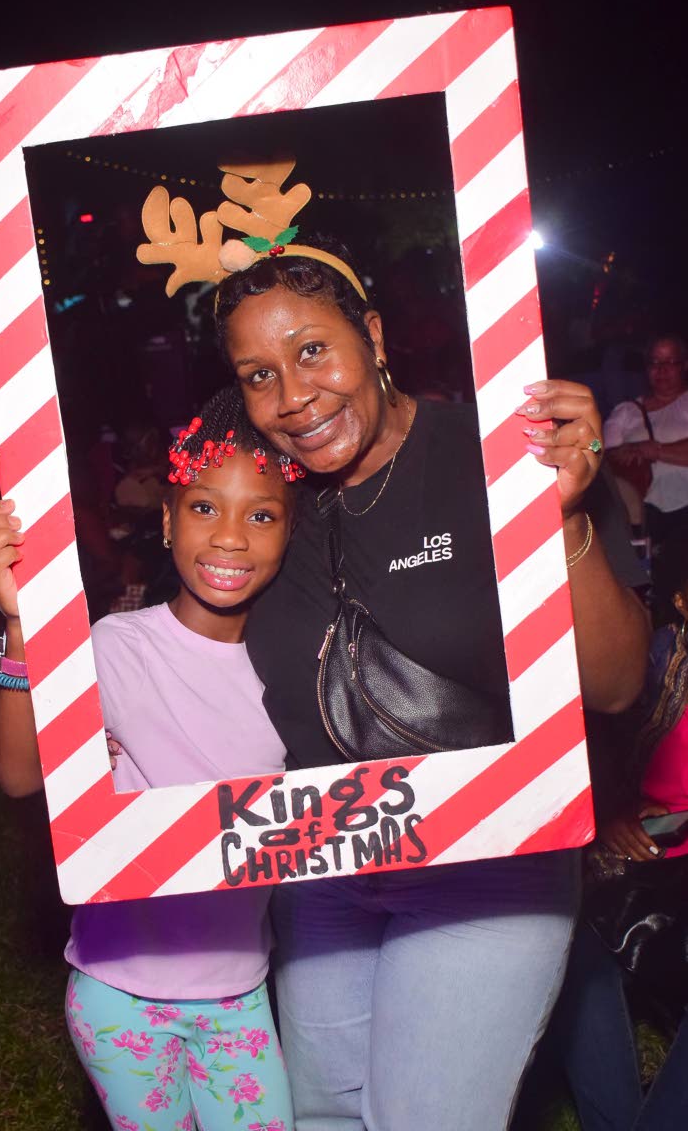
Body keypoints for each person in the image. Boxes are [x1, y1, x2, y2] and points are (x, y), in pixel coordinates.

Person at [207, 236, 650, 1131]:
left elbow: (612, 684)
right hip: (324, 864)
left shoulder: (498, 456)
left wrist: (559, 515)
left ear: (371, 334)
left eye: (311, 351)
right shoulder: (267, 497)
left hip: (488, 863)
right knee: (325, 1117)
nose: (291, 398)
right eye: (258, 375)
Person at [0, 389, 296, 1131]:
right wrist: (20, 627)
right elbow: (21, 774)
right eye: (206, 508)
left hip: (241, 989)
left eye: (263, 515)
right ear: (168, 518)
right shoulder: (116, 648)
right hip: (120, 993)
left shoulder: (299, 666)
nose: (231, 539)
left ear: (290, 534)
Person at [552, 534, 688, 1131]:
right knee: (568, 949)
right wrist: (611, 816)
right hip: (638, 856)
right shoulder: (649, 665)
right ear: (681, 601)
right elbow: (589, 753)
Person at [604, 335, 688, 545]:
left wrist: (652, 450)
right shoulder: (625, 411)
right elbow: (597, 450)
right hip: (646, 516)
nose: (662, 370)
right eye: (655, 363)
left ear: (684, 365)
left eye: (670, 362)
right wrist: (616, 448)